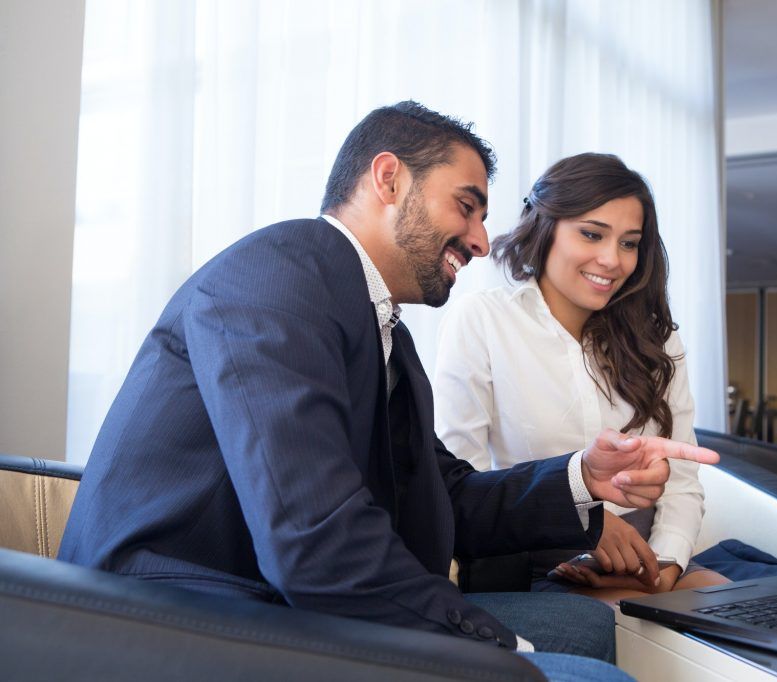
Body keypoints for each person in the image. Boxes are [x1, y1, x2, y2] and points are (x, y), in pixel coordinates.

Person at [58, 102, 719, 681]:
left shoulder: (380, 330)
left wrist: (582, 477)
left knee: (584, 631)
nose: (484, 241)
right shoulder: (276, 281)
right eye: (466, 206)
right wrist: (493, 646)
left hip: (273, 598)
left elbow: (445, 494)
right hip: (181, 618)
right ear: (387, 178)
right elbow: (315, 542)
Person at [434, 153, 729, 605]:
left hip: (648, 558)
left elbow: (683, 481)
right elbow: (460, 477)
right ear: (544, 227)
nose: (612, 260)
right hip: (536, 555)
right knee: (620, 621)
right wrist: (582, 517)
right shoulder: (483, 320)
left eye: (629, 243)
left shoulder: (656, 339)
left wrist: (666, 567)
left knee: (737, 612)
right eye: (592, 234)